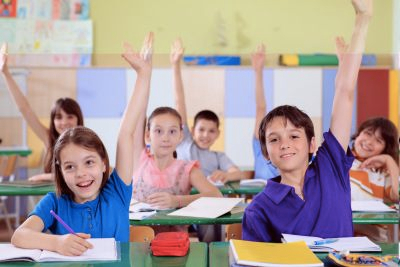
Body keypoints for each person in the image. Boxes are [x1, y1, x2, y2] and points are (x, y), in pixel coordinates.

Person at [10, 32, 153, 256]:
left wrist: (144, 75)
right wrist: (57, 243)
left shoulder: (117, 192)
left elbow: (126, 131)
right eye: (70, 166)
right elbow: (19, 235)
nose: (81, 174)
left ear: (104, 163)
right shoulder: (55, 202)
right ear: (59, 169)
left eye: (89, 162)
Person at [242, 0, 372, 242]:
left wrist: (362, 20)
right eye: (274, 139)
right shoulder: (258, 209)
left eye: (294, 136)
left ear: (312, 144)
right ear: (266, 153)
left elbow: (345, 91)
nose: (285, 144)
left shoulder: (329, 166)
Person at [128, 36, 222, 234]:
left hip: (176, 248)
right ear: (147, 135)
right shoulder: (139, 158)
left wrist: (177, 201)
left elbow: (215, 195)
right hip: (137, 246)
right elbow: (139, 110)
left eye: (172, 131)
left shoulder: (186, 169)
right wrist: (145, 72)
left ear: (181, 136)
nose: (165, 137)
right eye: (158, 131)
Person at [0, 43, 84, 182]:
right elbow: (24, 108)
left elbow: (74, 176)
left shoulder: (85, 142)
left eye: (69, 116)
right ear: (53, 120)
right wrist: (5, 73)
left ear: (78, 119)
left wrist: (43, 176)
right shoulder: (48, 138)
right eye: (58, 117)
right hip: (53, 200)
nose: (64, 122)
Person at [350, 117, 399, 242]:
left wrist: (389, 161)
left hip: (374, 242)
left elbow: (396, 196)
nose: (370, 142)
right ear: (358, 134)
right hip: (341, 237)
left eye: (379, 140)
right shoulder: (341, 162)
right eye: (368, 133)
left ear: (385, 148)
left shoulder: (383, 173)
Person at [251, 43, 280, 180]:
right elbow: (260, 108)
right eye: (272, 138)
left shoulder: (289, 162)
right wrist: (258, 71)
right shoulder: (260, 149)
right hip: (260, 200)